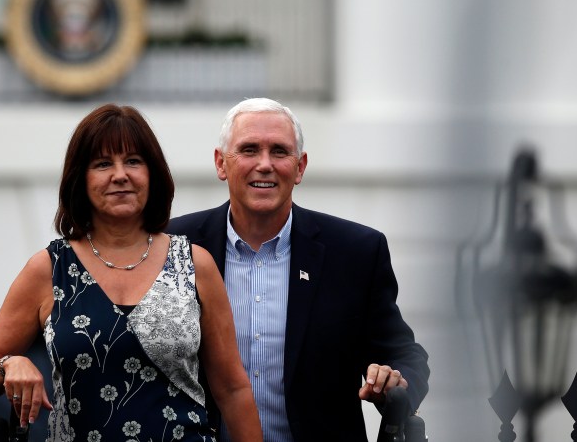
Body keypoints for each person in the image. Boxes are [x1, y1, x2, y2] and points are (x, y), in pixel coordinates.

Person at [0, 104, 262, 442]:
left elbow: (233, 390)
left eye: (133, 161)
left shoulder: (195, 265)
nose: (120, 174)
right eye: (103, 164)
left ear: (153, 174)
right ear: (81, 179)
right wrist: (9, 365)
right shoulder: (49, 268)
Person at [167, 97, 430, 441]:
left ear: (300, 166)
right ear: (221, 163)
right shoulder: (175, 247)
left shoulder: (355, 252)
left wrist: (394, 383)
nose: (265, 164)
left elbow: (405, 355)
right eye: (249, 150)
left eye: (279, 151)